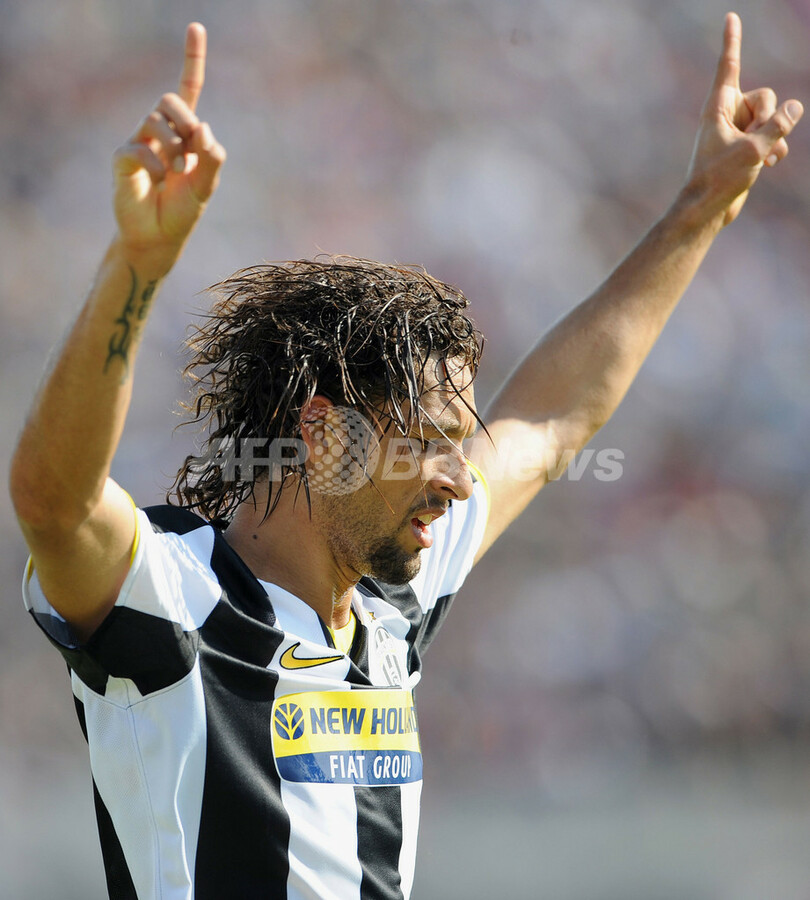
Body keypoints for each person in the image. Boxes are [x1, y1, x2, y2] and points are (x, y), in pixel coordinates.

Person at [9, 14, 802, 900]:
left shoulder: (388, 603)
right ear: (323, 435)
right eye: (428, 443)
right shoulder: (174, 598)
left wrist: (701, 207)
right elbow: (53, 501)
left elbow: (551, 419)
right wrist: (137, 265)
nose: (460, 478)